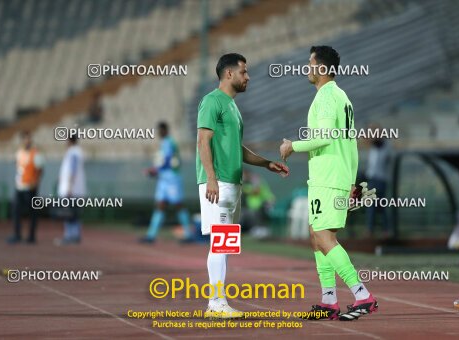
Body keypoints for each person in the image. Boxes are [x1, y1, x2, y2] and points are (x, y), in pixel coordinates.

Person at [280, 46, 378, 321]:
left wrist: (292, 145)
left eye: (310, 63)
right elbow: (350, 144)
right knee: (316, 237)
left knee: (324, 237)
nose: (307, 68)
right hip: (332, 177)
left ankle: (362, 295)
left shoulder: (326, 97)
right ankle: (329, 301)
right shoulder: (341, 97)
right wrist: (351, 181)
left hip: (328, 178)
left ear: (321, 68)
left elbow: (323, 137)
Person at [197, 53, 289, 318]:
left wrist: (265, 164)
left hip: (231, 182)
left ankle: (219, 302)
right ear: (229, 74)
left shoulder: (232, 107)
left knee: (225, 244)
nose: (248, 77)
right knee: (219, 242)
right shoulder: (212, 101)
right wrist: (212, 178)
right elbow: (203, 141)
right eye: (244, 72)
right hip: (219, 183)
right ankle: (215, 303)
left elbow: (236, 148)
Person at [140, 121, 194, 243]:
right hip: (163, 179)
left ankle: (188, 234)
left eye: (160, 130)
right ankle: (151, 235)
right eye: (158, 130)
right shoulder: (163, 143)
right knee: (160, 205)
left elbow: (168, 161)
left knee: (178, 205)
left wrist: (154, 170)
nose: (159, 133)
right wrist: (156, 170)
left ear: (165, 130)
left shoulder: (169, 142)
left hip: (172, 179)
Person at [7, 131, 44, 244]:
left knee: (32, 212)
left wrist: (36, 182)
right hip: (20, 186)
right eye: (26, 139)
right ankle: (17, 234)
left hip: (30, 187)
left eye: (29, 139)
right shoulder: (19, 153)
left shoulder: (35, 153)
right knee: (16, 211)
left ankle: (31, 236)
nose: (28, 141)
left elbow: (40, 169)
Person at [55, 133, 86, 245]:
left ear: (70, 141)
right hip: (76, 189)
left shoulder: (73, 152)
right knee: (74, 214)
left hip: (71, 189)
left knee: (69, 213)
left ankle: (70, 235)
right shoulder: (77, 152)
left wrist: (69, 186)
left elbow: (72, 170)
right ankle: (75, 235)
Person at [365, 122, 391, 238]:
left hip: (380, 180)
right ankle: (371, 230)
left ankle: (385, 229)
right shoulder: (374, 147)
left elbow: (386, 161)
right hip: (372, 179)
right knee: (372, 206)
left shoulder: (385, 147)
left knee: (380, 206)